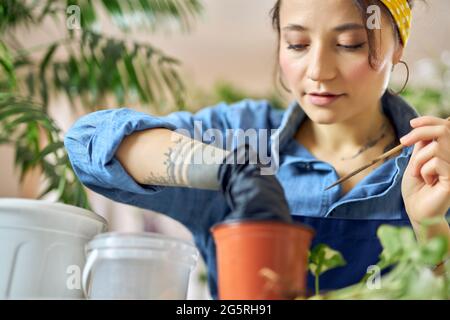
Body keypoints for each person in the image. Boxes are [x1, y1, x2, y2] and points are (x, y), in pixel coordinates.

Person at [64, 0, 450, 298]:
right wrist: (229, 171)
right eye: (297, 43)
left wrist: (431, 229)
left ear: (398, 46)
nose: (318, 70)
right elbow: (89, 143)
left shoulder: (437, 169)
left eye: (349, 44)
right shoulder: (238, 134)